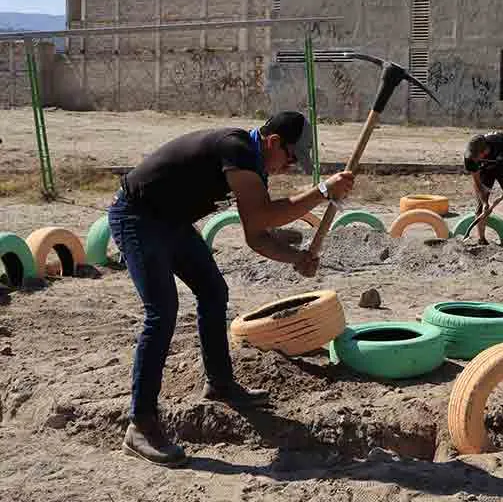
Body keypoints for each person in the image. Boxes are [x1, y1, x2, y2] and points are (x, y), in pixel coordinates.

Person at [108, 111, 355, 468]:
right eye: (290, 158)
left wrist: (295, 258)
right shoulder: (236, 150)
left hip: (170, 222)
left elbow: (256, 235)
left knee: (212, 291)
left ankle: (220, 383)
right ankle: (141, 425)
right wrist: (322, 192)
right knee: (162, 312)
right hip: (136, 217)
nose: (289, 167)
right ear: (273, 143)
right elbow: (267, 215)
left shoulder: (252, 165)